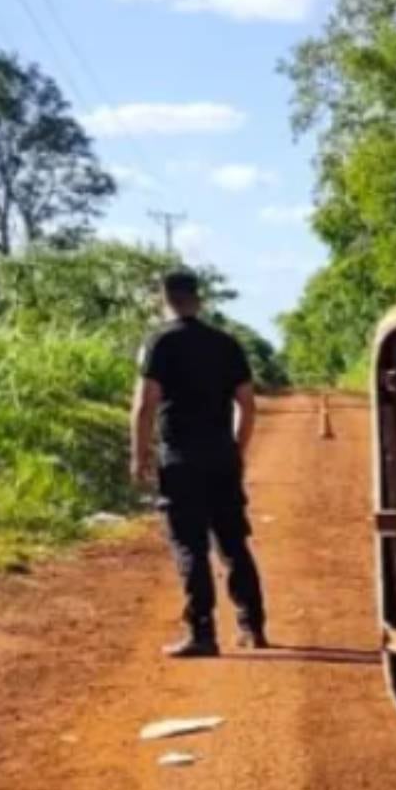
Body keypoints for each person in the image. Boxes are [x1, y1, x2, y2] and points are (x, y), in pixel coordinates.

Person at [132, 269, 269, 658]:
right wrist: (237, 448)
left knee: (189, 546)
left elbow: (145, 405)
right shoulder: (226, 343)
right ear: (198, 298)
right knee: (232, 543)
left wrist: (139, 456)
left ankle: (202, 633)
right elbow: (247, 405)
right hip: (222, 457)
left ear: (164, 298)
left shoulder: (159, 342)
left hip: (180, 460)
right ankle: (253, 626)